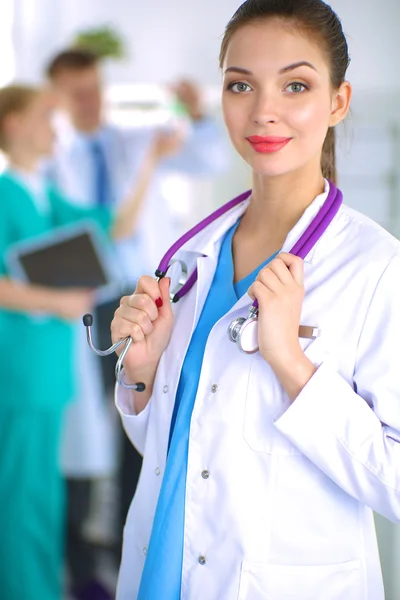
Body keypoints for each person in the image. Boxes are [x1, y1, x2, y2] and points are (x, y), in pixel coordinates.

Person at [110, 1, 400, 599]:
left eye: (296, 85)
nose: (264, 111)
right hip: (159, 574)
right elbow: (177, 455)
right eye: (241, 85)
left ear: (338, 102)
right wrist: (141, 377)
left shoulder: (376, 267)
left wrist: (292, 365)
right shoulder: (191, 258)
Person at [44, 47, 229, 597]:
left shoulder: (135, 137)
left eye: (95, 87)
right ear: (57, 98)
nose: (90, 101)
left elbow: (210, 159)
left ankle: (130, 542)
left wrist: (196, 115)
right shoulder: (55, 160)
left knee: (141, 416)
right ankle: (78, 555)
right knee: (79, 428)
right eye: (77, 93)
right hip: (87, 304)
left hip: (147, 298)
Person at [0, 83, 176, 600]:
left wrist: (151, 160)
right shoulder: (7, 192)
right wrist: (57, 303)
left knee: (42, 494)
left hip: (48, 367)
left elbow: (119, 223)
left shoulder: (39, 192)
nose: (53, 128)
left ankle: (37, 587)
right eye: (43, 116)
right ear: (10, 124)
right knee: (21, 494)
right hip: (21, 366)